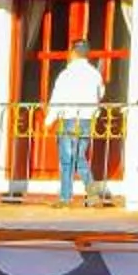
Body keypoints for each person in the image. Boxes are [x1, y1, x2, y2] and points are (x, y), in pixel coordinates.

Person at [44, 41, 108, 205]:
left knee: (67, 159)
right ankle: (92, 193)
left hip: (69, 118)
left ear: (73, 53)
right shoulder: (94, 74)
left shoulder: (67, 74)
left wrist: (49, 119)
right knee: (78, 157)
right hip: (86, 119)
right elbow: (100, 93)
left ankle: (65, 198)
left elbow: (57, 98)